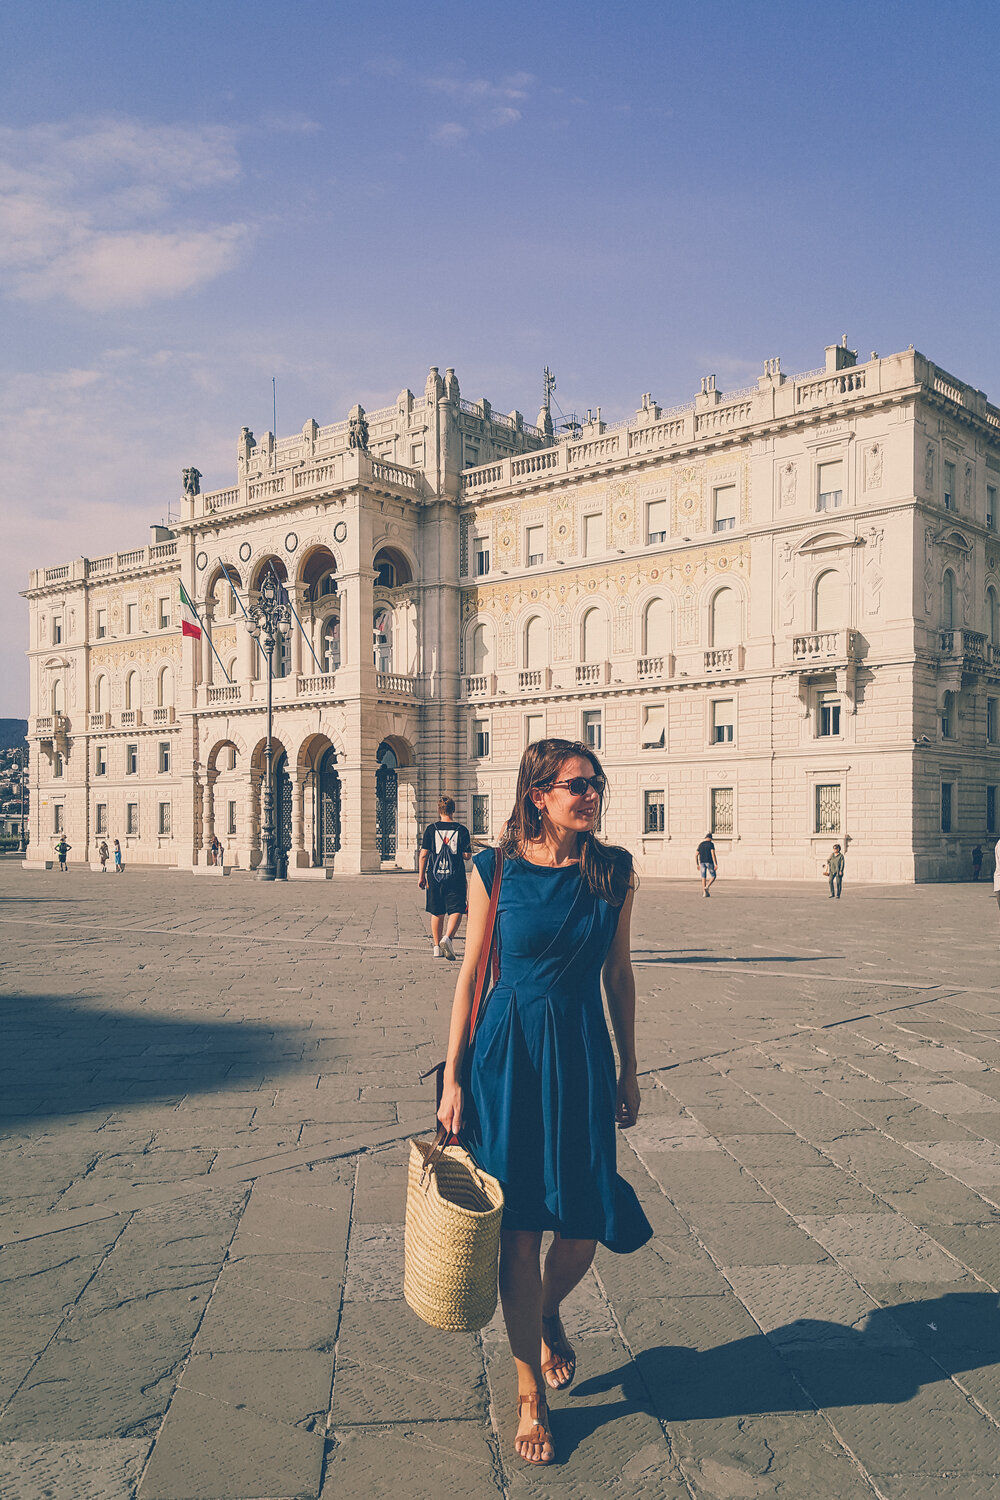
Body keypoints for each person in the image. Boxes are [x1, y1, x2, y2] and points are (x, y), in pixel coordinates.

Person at [437, 739, 651, 1467]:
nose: (589, 795)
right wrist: (454, 1077)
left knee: (583, 1223)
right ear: (538, 796)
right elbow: (470, 978)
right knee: (520, 1229)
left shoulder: (614, 871)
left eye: (596, 783)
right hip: (508, 1054)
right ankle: (529, 1390)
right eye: (574, 786)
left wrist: (629, 1068)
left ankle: (546, 1309)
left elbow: (619, 976)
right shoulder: (492, 868)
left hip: (582, 1054)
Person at [418, 797, 471, 959]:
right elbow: (467, 855)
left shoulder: (430, 829)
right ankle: (447, 938)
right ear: (453, 810)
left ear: (439, 811)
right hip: (455, 876)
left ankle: (436, 947)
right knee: (457, 908)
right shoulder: (461, 830)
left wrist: (421, 876)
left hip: (435, 876)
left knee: (437, 911)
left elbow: (424, 855)